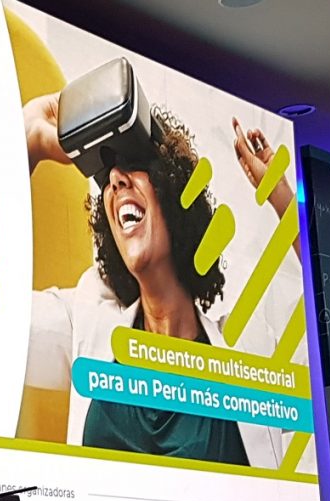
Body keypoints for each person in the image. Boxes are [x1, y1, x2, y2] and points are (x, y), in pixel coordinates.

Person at [23, 88, 300, 468]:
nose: (115, 179)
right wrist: (30, 139)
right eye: (107, 176)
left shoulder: (247, 347)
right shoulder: (86, 319)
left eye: (135, 163)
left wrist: (282, 196)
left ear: (175, 193)